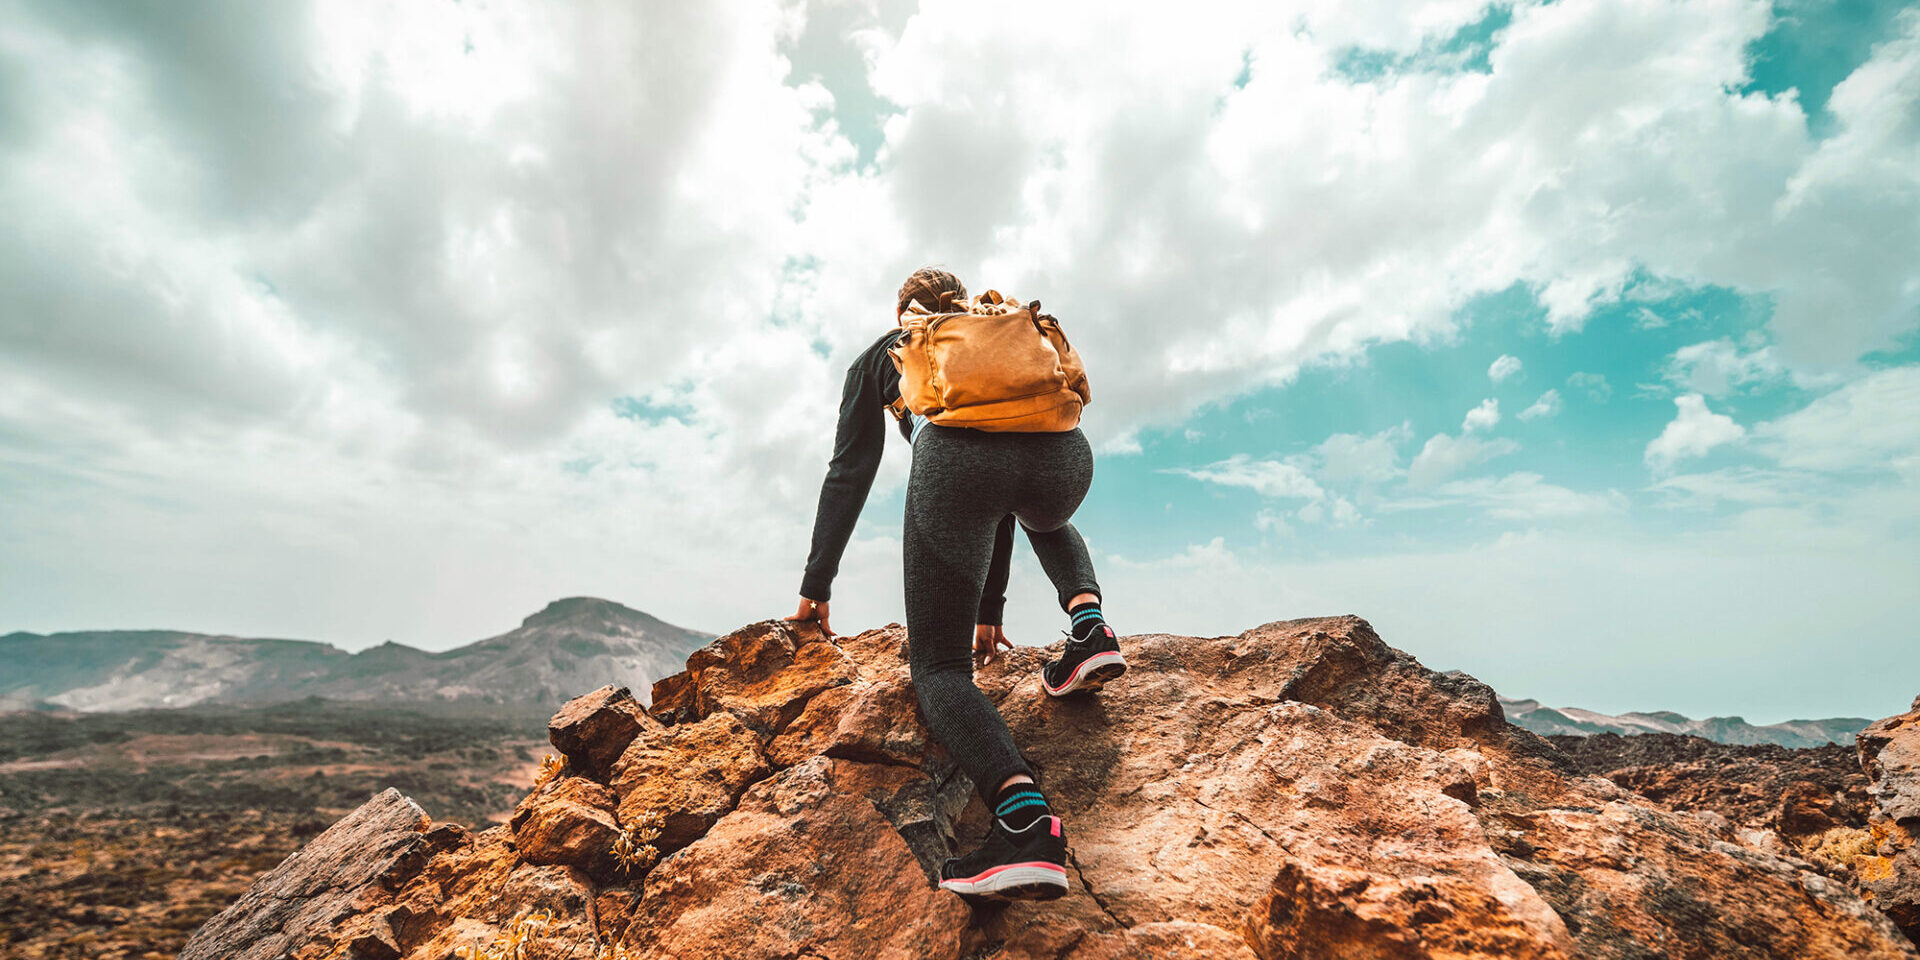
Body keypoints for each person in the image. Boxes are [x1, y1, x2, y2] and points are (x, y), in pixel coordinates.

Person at [787, 266, 1125, 902]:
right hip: (1065, 459)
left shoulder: (888, 352)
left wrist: (817, 583)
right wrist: (989, 605)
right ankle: (1090, 628)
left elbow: (849, 472)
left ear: (904, 313)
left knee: (940, 671)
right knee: (1037, 507)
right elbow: (1005, 491)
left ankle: (1024, 826)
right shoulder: (997, 332)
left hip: (958, 468)